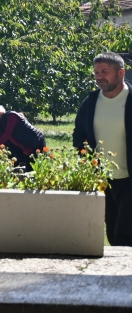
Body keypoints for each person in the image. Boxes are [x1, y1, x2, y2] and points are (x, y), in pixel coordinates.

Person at [74, 52, 132, 246]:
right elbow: (79, 135)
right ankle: (119, 275)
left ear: (121, 72)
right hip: (103, 180)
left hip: (129, 179)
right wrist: (86, 161)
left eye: (105, 71)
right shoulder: (90, 103)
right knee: (112, 231)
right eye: (96, 72)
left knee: (124, 232)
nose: (99, 76)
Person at [0, 105, 45, 170]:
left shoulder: (11, 116)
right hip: (27, 146)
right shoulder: (1, 124)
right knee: (29, 169)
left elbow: (7, 134)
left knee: (35, 170)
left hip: (35, 142)